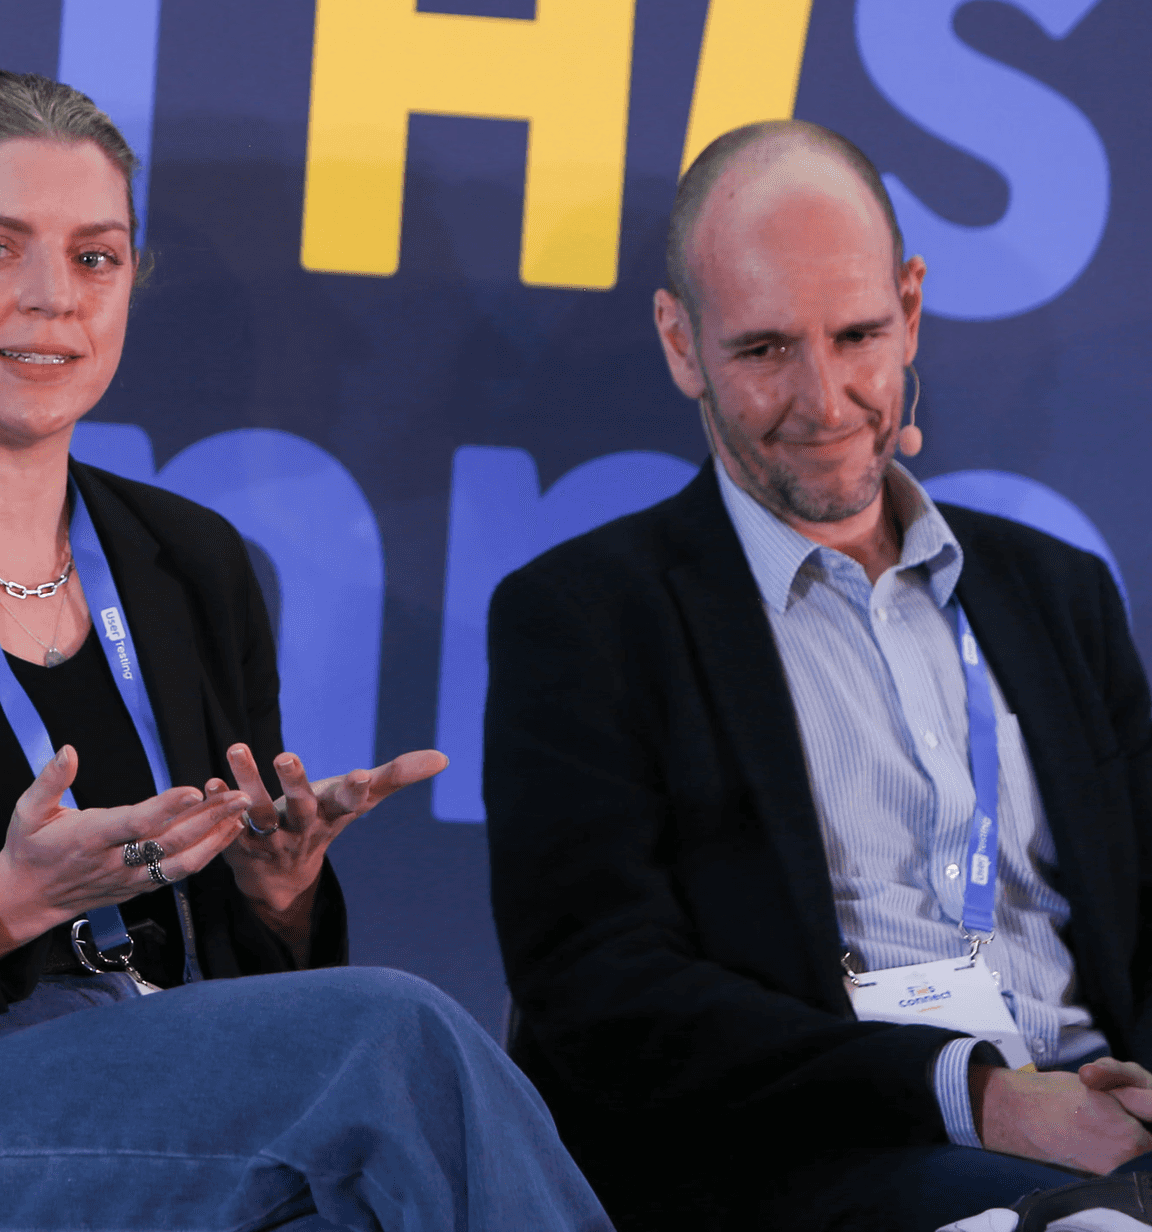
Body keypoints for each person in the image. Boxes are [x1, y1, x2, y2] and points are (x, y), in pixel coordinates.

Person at [0, 70, 610, 1232]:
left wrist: (276, 893)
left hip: (160, 1113)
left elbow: (247, 1007)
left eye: (94, 258)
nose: (53, 299)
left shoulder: (189, 561)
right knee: (393, 1038)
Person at [483, 120, 1152, 1232]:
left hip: (1105, 1131)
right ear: (678, 341)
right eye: (762, 350)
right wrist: (974, 1094)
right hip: (816, 1165)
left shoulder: (1059, 595)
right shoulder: (586, 618)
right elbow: (601, 1000)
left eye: (855, 335)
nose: (825, 398)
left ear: (910, 308)